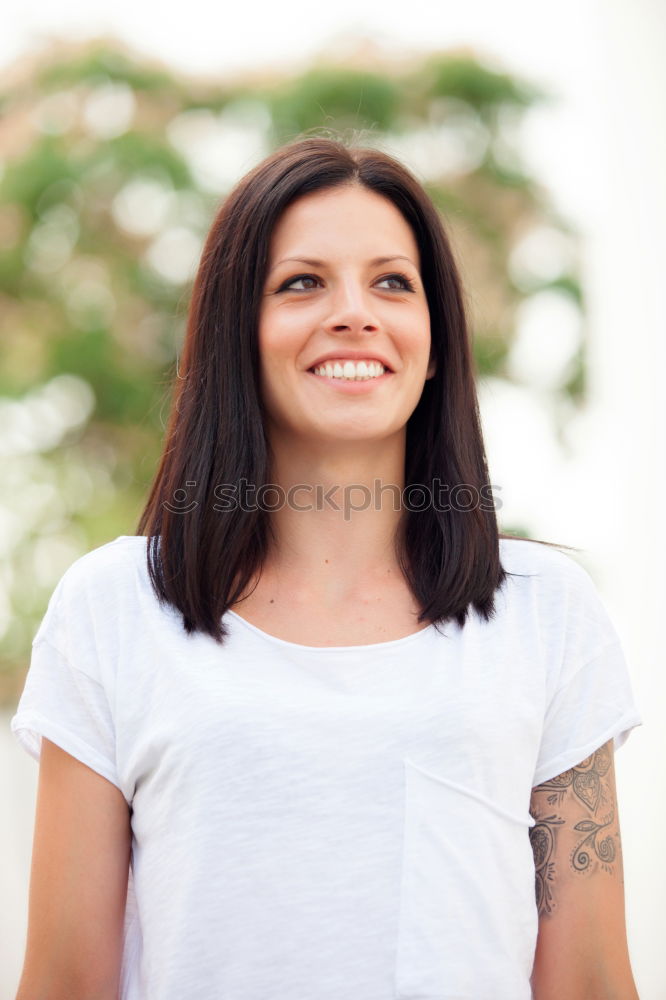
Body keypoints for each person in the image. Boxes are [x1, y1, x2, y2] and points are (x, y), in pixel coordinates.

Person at [11, 134, 643, 1000]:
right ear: (240, 328)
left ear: (436, 334)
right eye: (302, 282)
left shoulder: (548, 613)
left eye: (393, 281)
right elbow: (64, 986)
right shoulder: (113, 610)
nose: (356, 313)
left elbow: (592, 982)